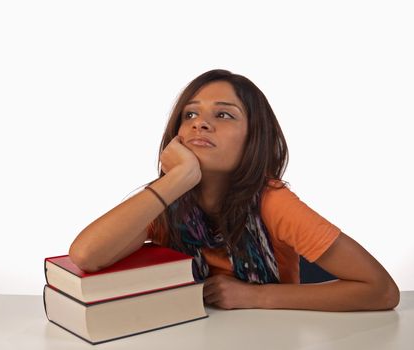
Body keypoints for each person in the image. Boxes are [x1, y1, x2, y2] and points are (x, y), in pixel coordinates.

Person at [69, 69, 400, 311]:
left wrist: (254, 297)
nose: (200, 122)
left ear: (254, 137)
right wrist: (174, 181)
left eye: (224, 114)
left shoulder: (273, 202)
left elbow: (382, 291)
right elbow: (86, 255)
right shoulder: (166, 199)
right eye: (191, 113)